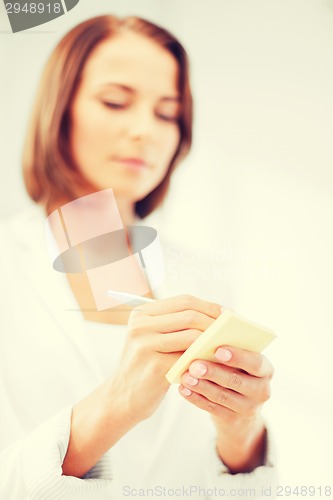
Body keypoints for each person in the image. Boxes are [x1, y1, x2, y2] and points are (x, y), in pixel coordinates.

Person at [0, 15, 276, 499]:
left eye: (167, 113)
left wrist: (242, 432)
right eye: (115, 102)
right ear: (59, 110)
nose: (145, 130)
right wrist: (116, 406)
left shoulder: (203, 279)